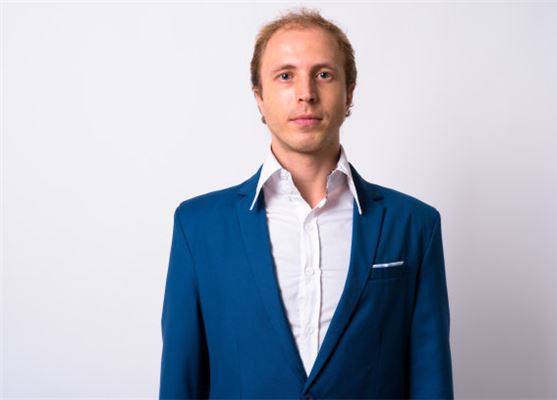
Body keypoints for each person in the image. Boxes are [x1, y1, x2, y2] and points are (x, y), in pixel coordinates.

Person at [159, 8, 453, 399]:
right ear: (259, 97)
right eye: (285, 76)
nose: (306, 93)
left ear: (349, 93)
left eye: (324, 74)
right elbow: (180, 382)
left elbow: (431, 382)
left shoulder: (414, 226)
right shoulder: (198, 227)